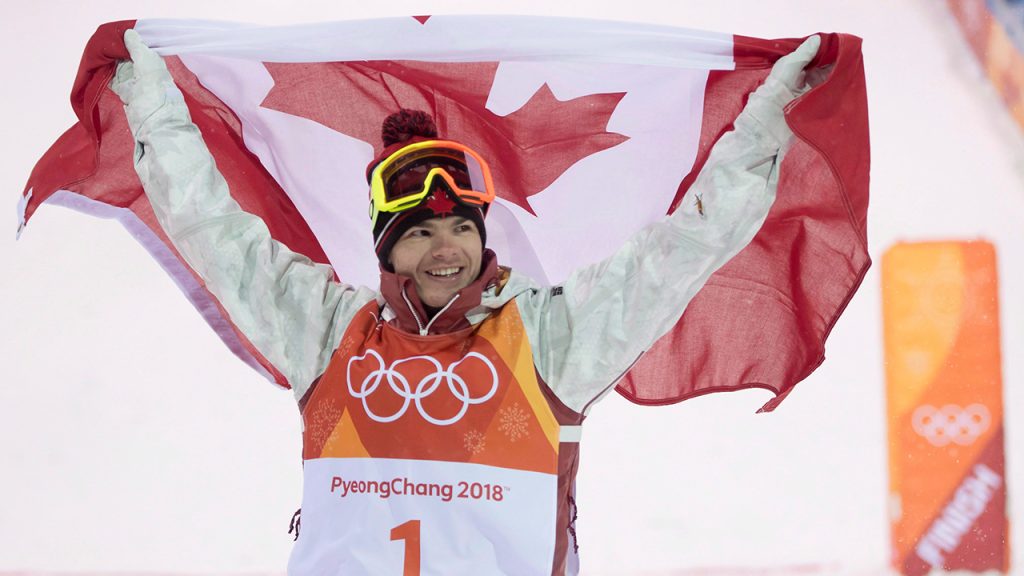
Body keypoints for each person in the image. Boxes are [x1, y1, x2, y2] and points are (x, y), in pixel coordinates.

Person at [112, 28, 820, 576]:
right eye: (418, 232)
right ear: (386, 250)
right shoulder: (327, 333)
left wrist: (770, 121)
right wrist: (155, 113)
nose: (445, 250)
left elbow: (686, 245)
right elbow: (216, 233)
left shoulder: (551, 340)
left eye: (460, 228)